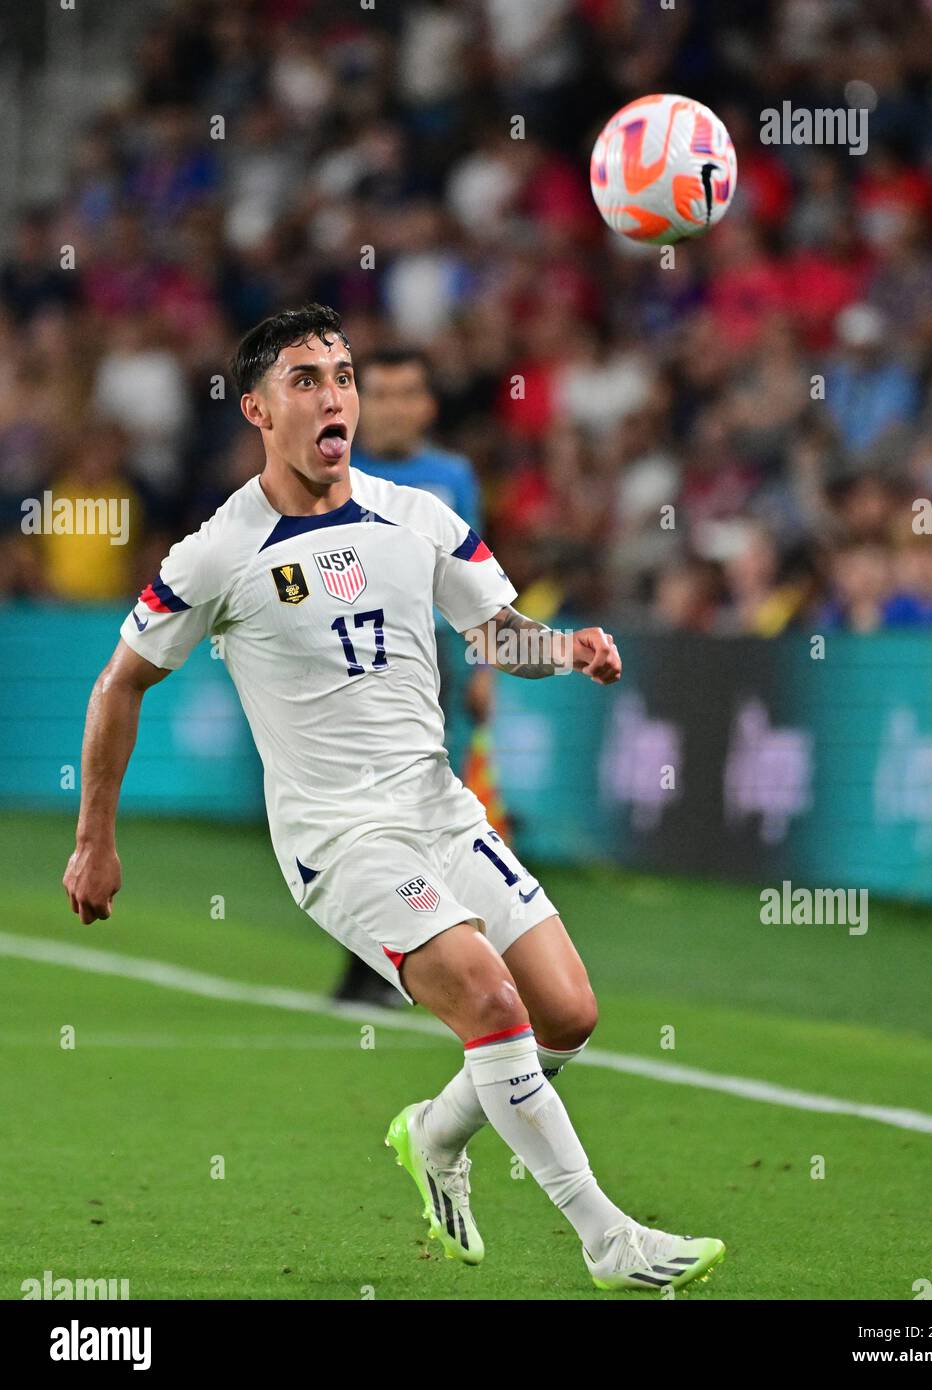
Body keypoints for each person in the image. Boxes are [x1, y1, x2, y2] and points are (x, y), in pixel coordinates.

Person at [62, 304, 725, 1292]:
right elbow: (119, 681)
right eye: (305, 378)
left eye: (343, 374)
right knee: (490, 1001)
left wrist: (566, 650)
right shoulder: (217, 552)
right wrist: (94, 839)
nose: (334, 395)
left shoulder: (417, 515)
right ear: (256, 407)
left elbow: (497, 633)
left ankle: (432, 1131)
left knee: (566, 1014)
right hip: (338, 838)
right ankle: (607, 1238)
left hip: (438, 809)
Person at [331, 345, 492, 1008]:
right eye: (382, 394)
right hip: (353, 657)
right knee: (357, 815)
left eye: (407, 394)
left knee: (422, 811)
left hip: (434, 659)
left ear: (427, 404)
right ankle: (372, 962)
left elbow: (476, 576)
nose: (395, 408)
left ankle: (398, 968)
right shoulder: (336, 470)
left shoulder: (452, 476)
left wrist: (485, 664)